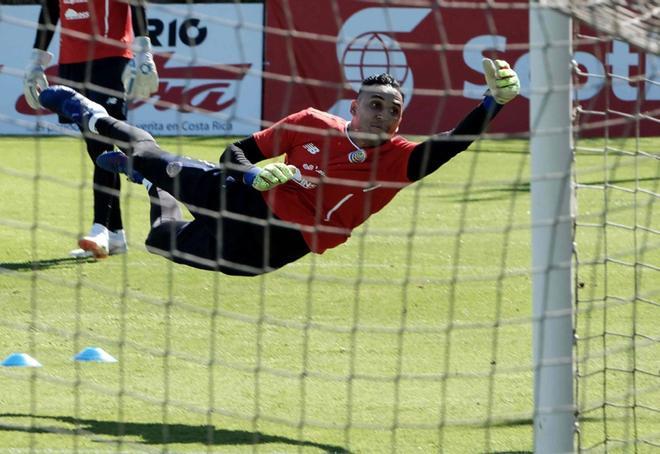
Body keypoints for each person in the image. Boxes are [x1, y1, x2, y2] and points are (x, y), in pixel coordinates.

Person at [36, 58, 520, 276]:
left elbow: (452, 144)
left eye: (394, 109)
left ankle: (149, 183)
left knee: (160, 242)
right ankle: (92, 114)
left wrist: (491, 104)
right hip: (244, 196)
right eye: (375, 104)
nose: (385, 114)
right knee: (150, 153)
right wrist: (252, 173)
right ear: (354, 107)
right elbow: (235, 152)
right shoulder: (310, 123)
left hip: (278, 248)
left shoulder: (399, 160)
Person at [23, 0, 159, 258]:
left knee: (105, 142)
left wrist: (144, 51)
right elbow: (51, 8)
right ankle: (115, 235)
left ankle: (101, 228)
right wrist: (36, 60)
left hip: (109, 58)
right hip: (72, 63)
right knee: (96, 147)